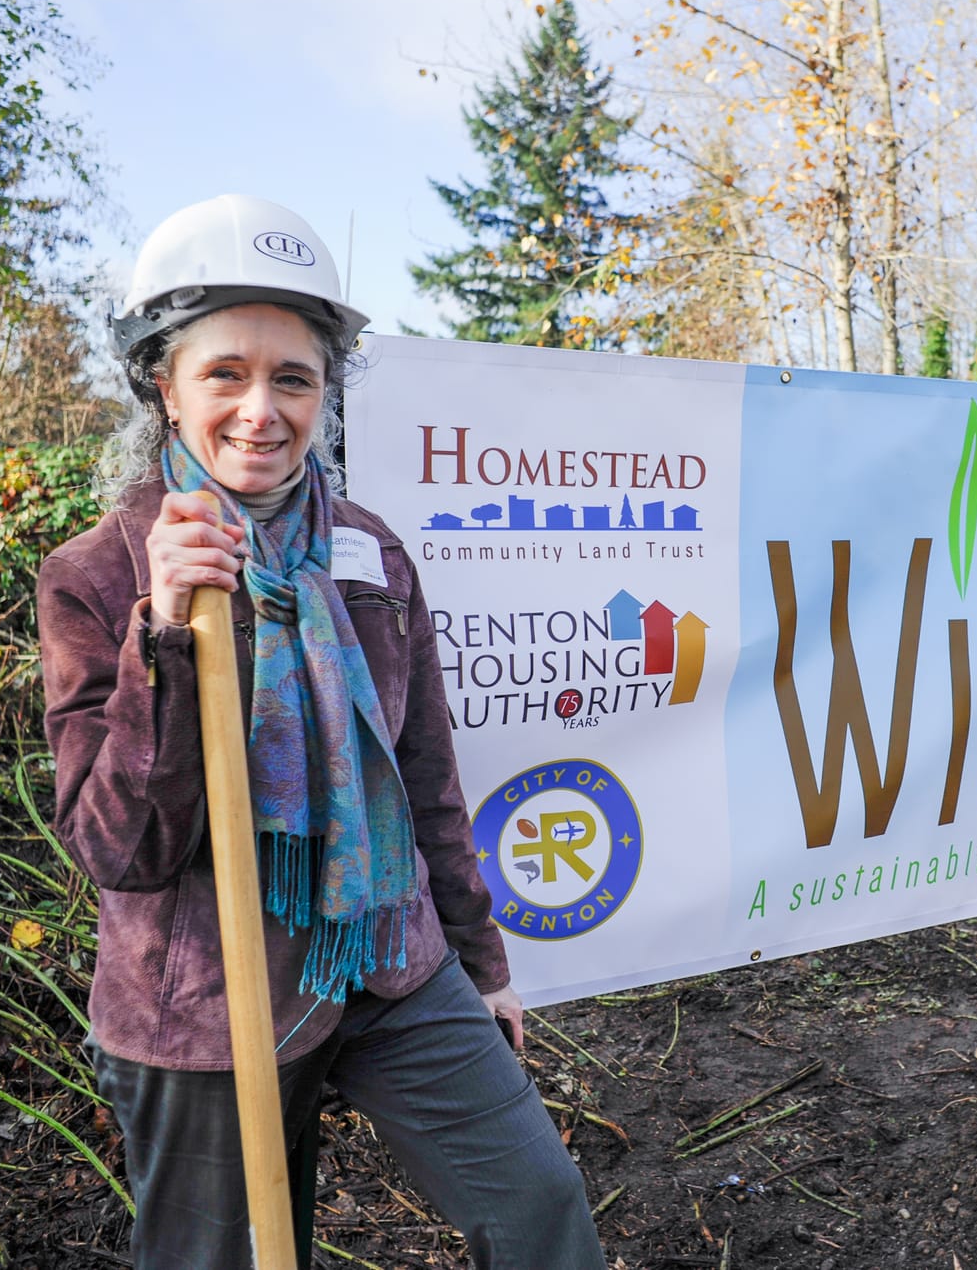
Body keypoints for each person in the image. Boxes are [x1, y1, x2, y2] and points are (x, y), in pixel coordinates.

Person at [37, 195, 607, 1270]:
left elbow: (428, 771)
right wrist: (160, 632)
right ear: (163, 383)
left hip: (386, 953)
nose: (261, 409)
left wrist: (481, 963)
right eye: (225, 372)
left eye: (292, 376)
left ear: (324, 392)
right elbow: (120, 849)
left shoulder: (370, 553)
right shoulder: (100, 571)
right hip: (205, 998)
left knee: (536, 1200)